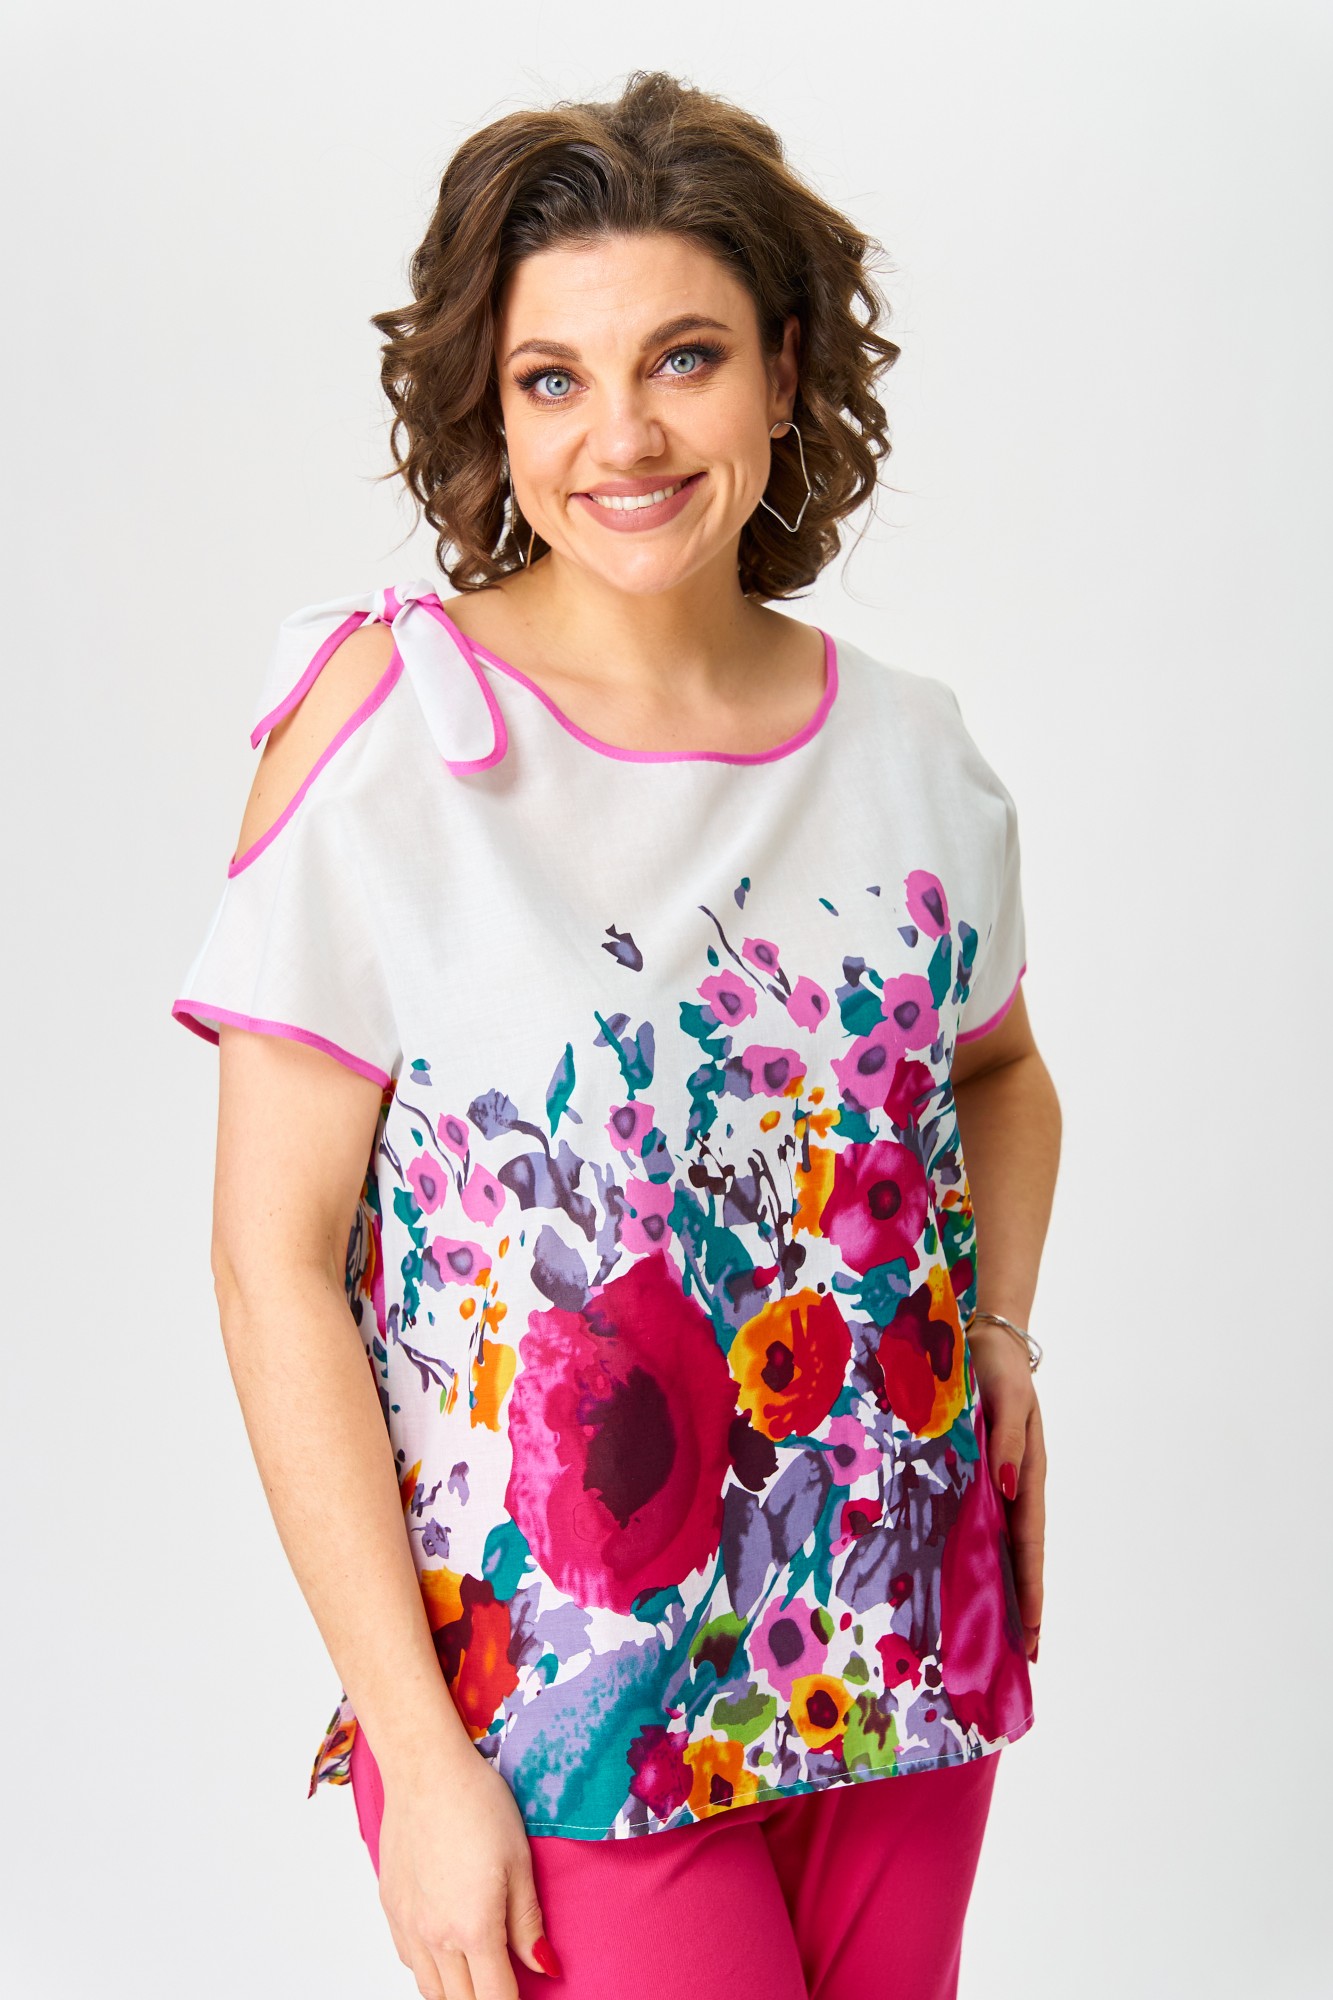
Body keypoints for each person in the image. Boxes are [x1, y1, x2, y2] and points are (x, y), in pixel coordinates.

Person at [171, 68, 1059, 2000]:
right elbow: (268, 1267)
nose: (624, 435)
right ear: (489, 413)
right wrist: (415, 1750)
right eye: (552, 378)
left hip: (889, 1646)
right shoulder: (388, 745)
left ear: (784, 372)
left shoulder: (915, 752)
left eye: (684, 358)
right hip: (550, 1709)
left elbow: (998, 1074)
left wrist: (996, 1333)